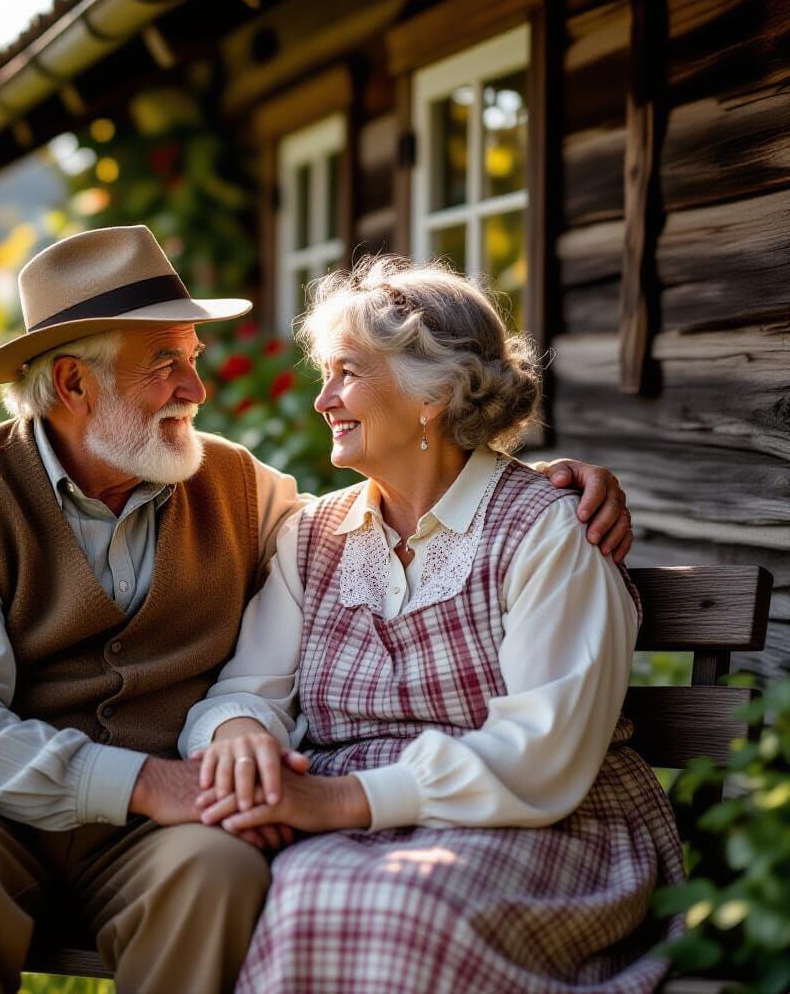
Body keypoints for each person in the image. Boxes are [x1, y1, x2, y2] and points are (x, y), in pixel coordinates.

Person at [0, 226, 635, 994]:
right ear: (73, 383)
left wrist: (521, 476)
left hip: (154, 835)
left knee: (222, 872)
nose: (196, 388)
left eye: (191, 358)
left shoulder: (239, 485)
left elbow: (415, 512)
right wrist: (156, 777)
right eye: (163, 364)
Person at [181, 256, 683, 994]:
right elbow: (249, 687)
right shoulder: (313, 537)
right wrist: (242, 735)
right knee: (301, 894)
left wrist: (338, 800)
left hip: (535, 825)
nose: (322, 400)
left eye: (346, 373)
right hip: (356, 830)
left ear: (432, 394)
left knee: (397, 906)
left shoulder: (546, 531)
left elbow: (540, 753)